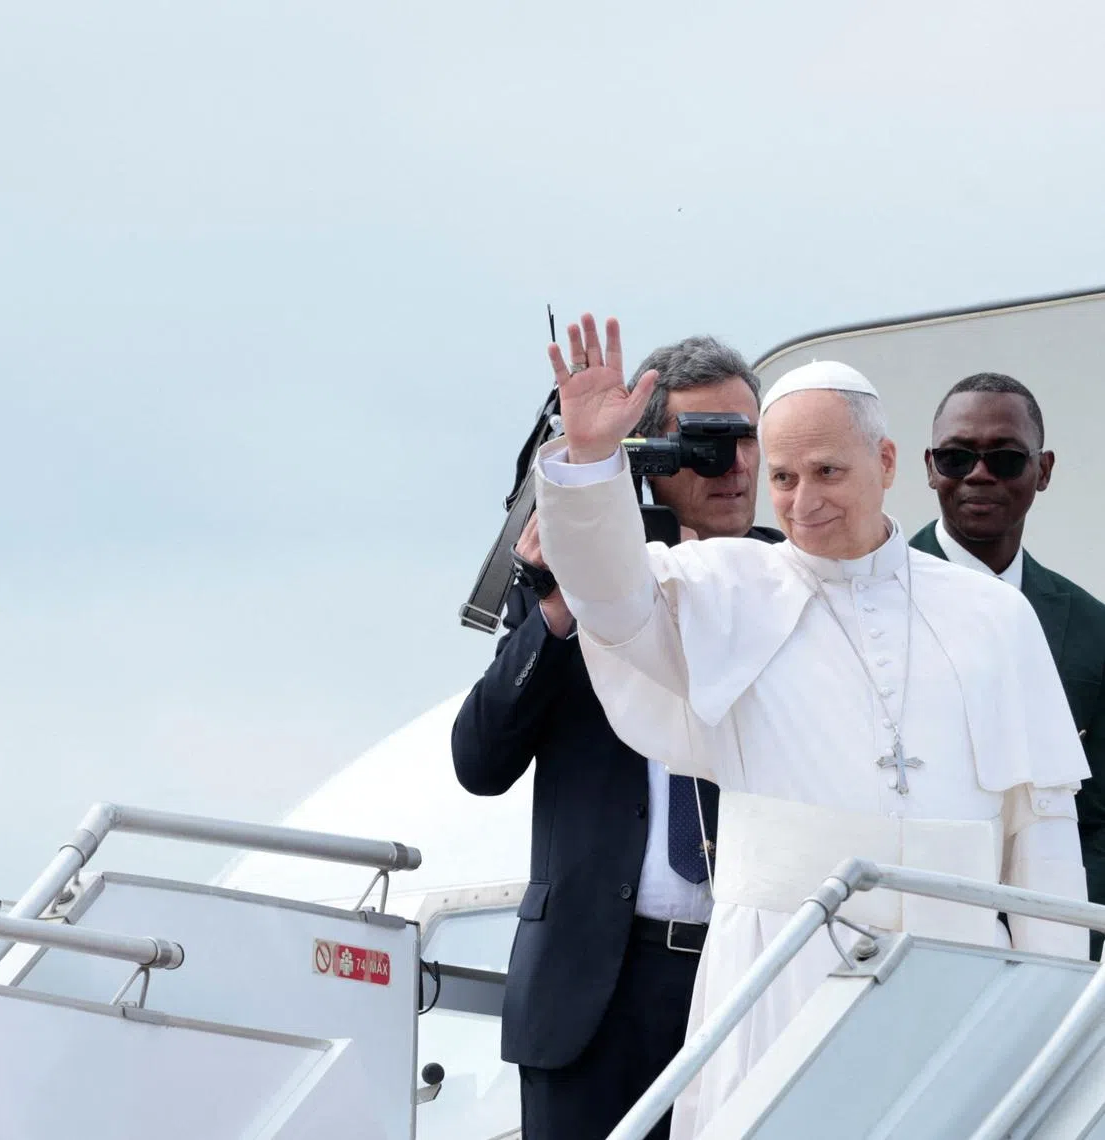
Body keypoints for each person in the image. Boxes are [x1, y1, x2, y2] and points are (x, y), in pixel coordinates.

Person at [533, 313, 1090, 1139]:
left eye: (828, 471)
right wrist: (590, 463)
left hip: (956, 971)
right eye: (785, 477)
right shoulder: (725, 587)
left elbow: (1040, 841)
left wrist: (1059, 1029)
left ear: (888, 463)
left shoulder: (993, 619)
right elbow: (611, 601)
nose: (803, 502)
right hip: (779, 972)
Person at [451, 335, 782, 1140]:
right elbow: (480, 760)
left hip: (750, 970)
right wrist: (566, 603)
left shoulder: (791, 583)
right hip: (596, 987)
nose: (736, 465)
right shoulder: (579, 584)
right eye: (706, 445)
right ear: (650, 455)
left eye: (749, 439)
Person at [911, 371, 1105, 956]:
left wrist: (1067, 937)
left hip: (1049, 952)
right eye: (956, 456)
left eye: (1006, 459)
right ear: (928, 467)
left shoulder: (1092, 629)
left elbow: (1098, 819)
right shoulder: (866, 595)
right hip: (905, 934)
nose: (978, 473)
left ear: (1043, 471)